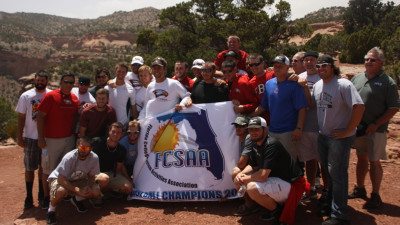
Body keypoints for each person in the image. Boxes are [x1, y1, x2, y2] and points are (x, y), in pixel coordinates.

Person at [312, 54, 365, 225]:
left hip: (340, 138)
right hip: (323, 135)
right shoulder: (318, 85)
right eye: (318, 66)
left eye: (324, 65)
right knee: (328, 173)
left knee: (338, 174)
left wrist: (349, 130)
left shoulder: (343, 84)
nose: (321, 69)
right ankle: (332, 204)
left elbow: (359, 106)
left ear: (333, 67)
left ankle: (340, 215)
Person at [349, 47, 400, 209]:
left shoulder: (388, 82)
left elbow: (393, 108)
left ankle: (376, 194)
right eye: (366, 59)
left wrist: (376, 124)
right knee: (361, 158)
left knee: (374, 161)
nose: (368, 62)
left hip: (376, 130)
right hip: (359, 128)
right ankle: (360, 188)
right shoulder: (357, 78)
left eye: (373, 60)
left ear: (381, 63)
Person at [233, 117, 304, 222]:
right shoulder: (255, 142)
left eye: (256, 129)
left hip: (291, 184)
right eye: (251, 129)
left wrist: (245, 178)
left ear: (265, 130)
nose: (253, 132)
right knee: (238, 176)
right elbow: (252, 165)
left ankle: (277, 211)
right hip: (278, 181)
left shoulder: (271, 144)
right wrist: (241, 174)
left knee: (251, 187)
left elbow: (262, 176)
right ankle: (264, 205)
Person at [37, 72, 80, 209]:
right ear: (61, 82)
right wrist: (40, 138)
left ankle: (62, 194)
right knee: (48, 169)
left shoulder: (74, 99)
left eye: (71, 83)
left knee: (66, 169)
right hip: (51, 139)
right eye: (66, 82)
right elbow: (40, 116)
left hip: (69, 139)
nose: (68, 84)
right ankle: (46, 197)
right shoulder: (51, 96)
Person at [253, 55, 307, 160]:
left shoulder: (294, 85)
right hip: (272, 131)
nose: (277, 68)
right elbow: (263, 106)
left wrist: (299, 128)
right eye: (275, 66)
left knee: (290, 162)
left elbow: (302, 108)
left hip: (289, 132)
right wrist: (250, 116)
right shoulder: (269, 84)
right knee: (275, 161)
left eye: (280, 66)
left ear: (287, 67)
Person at [45, 137, 109, 225]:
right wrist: (77, 190)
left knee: (99, 186)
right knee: (61, 191)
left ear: (91, 149)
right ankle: (51, 211)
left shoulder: (94, 158)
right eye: (81, 147)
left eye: (87, 148)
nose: (83, 150)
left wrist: (88, 186)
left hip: (78, 179)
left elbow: (91, 176)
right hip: (59, 179)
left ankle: (77, 199)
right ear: (77, 146)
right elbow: (61, 179)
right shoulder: (69, 157)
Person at [16, 70, 50, 209]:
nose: (40, 82)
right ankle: (29, 196)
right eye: (38, 80)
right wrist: (19, 136)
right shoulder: (26, 96)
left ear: (46, 81)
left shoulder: (51, 94)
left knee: (43, 168)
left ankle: (42, 195)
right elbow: (21, 117)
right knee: (29, 168)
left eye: (43, 80)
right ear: (34, 80)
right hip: (30, 137)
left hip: (47, 137)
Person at [297, 51, 321, 199]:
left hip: (321, 126)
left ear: (317, 61)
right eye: (306, 60)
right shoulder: (300, 77)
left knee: (324, 161)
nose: (309, 62)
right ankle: (311, 188)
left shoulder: (323, 76)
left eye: (312, 60)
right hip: (305, 126)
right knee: (309, 160)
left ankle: (327, 191)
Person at [92, 122, 133, 195]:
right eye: (113, 132)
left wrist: (128, 179)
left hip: (110, 174)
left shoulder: (122, 149)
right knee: (104, 179)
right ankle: (96, 196)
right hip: (94, 173)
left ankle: (107, 191)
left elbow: (119, 168)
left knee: (128, 188)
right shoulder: (97, 142)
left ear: (122, 134)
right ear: (109, 131)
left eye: (118, 132)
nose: (115, 134)